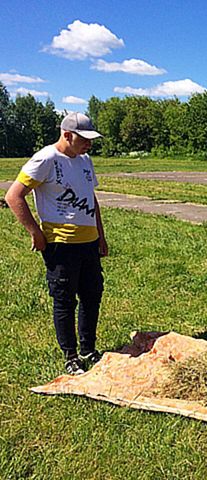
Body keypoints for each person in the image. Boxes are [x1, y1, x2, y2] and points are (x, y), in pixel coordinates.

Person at [5, 112, 108, 375]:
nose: (89, 144)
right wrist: (35, 232)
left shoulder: (85, 160)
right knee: (64, 300)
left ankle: (88, 349)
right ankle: (71, 356)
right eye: (84, 139)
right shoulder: (46, 159)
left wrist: (101, 235)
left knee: (92, 296)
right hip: (61, 244)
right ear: (67, 135)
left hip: (89, 242)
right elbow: (13, 196)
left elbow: (90, 198)